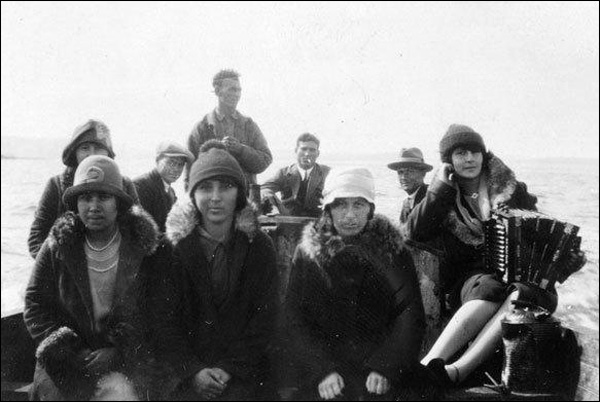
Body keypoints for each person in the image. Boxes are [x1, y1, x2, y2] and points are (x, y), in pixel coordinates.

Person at [403, 124, 557, 386]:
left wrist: (565, 259)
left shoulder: (512, 189)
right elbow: (413, 232)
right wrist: (439, 188)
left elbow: (541, 233)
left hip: (517, 276)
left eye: (475, 151)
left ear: (484, 155)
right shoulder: (443, 194)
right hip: (469, 279)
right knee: (489, 288)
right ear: (448, 161)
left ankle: (457, 371)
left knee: (522, 296)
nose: (470, 159)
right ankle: (427, 364)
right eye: (461, 153)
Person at [23, 155, 165, 400]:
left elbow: (158, 310)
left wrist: (118, 352)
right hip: (65, 361)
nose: (94, 206)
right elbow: (35, 304)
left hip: (124, 358)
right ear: (76, 203)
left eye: (104, 197)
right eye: (86, 197)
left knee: (122, 394)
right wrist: (71, 352)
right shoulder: (57, 245)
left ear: (119, 203)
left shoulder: (142, 249)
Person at [151, 141, 279, 400]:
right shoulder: (170, 248)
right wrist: (193, 372)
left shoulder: (260, 246)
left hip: (244, 372)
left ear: (240, 193)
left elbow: (265, 320)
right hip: (185, 375)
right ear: (192, 193)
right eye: (206, 187)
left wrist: (228, 369)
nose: (216, 197)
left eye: (227, 186)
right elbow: (162, 322)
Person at [285, 167, 426, 400]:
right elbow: (294, 319)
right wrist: (322, 371)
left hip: (380, 370)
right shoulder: (308, 254)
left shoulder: (393, 252)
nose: (350, 215)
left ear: (371, 209)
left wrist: (385, 366)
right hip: (326, 372)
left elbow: (409, 314)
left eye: (358, 205)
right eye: (341, 205)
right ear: (328, 209)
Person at [28, 119, 139, 259]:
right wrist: (58, 269)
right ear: (74, 152)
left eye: (98, 147)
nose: (91, 154)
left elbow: (138, 232)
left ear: (108, 153)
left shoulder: (124, 185)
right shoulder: (56, 185)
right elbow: (36, 239)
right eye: (85, 148)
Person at [186, 69, 272, 189]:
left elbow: (265, 160)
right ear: (217, 91)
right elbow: (190, 174)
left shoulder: (249, 125)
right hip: (214, 199)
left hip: (244, 199)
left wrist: (241, 150)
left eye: (239, 90)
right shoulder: (202, 127)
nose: (237, 94)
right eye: (232, 89)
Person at [261, 133, 330, 217]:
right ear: (296, 150)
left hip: (318, 222)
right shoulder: (284, 173)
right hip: (289, 221)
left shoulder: (327, 173)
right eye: (303, 149)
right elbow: (264, 188)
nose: (307, 154)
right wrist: (273, 206)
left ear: (317, 153)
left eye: (312, 150)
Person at [134, 141, 194, 232]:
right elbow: (141, 232)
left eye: (180, 165)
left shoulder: (170, 192)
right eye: (171, 163)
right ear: (157, 160)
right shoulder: (141, 186)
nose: (176, 169)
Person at [387, 147, 432, 224]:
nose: (404, 177)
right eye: (400, 172)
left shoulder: (430, 198)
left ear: (423, 173)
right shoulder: (406, 203)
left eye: (410, 171)